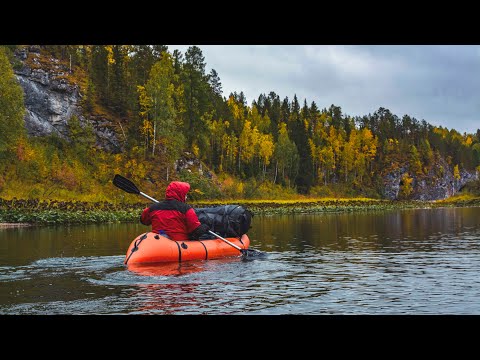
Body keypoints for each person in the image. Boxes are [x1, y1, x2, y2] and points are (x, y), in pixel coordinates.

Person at [140, 181, 209, 241]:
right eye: (185, 195)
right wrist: (205, 226)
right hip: (179, 244)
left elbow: (143, 220)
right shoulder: (186, 209)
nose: (186, 197)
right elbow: (196, 230)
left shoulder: (153, 208)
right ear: (180, 194)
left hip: (158, 242)